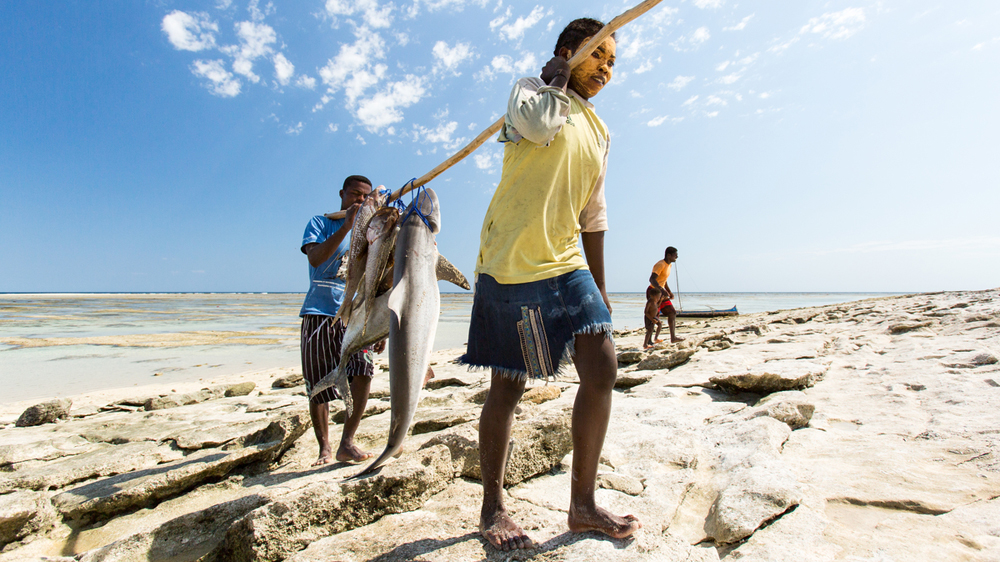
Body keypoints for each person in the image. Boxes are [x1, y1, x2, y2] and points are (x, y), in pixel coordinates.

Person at [459, 17, 641, 552]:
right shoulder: (528, 94)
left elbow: (593, 211)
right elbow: (538, 127)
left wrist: (601, 286)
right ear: (570, 50)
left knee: (602, 365)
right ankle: (492, 506)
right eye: (598, 55)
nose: (607, 69)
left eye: (613, 62)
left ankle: (582, 505)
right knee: (508, 385)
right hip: (512, 259)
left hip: (565, 259)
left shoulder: (601, 131)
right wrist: (556, 79)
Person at [299, 175, 385, 466]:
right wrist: (347, 225)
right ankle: (324, 447)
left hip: (357, 315)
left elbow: (376, 276)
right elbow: (315, 259)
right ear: (342, 194)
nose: (359, 201)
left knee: (364, 372)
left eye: (364, 197)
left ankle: (347, 442)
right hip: (320, 312)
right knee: (318, 382)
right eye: (354, 195)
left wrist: (379, 324)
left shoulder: (373, 229)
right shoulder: (320, 223)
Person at [649, 246, 683, 343]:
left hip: (662, 292)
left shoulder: (669, 265)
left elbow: (664, 280)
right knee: (654, 316)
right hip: (653, 292)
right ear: (669, 255)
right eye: (675, 255)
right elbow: (652, 279)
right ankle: (649, 341)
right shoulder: (660, 264)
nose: (677, 257)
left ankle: (673, 338)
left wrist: (668, 291)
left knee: (672, 312)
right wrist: (660, 289)